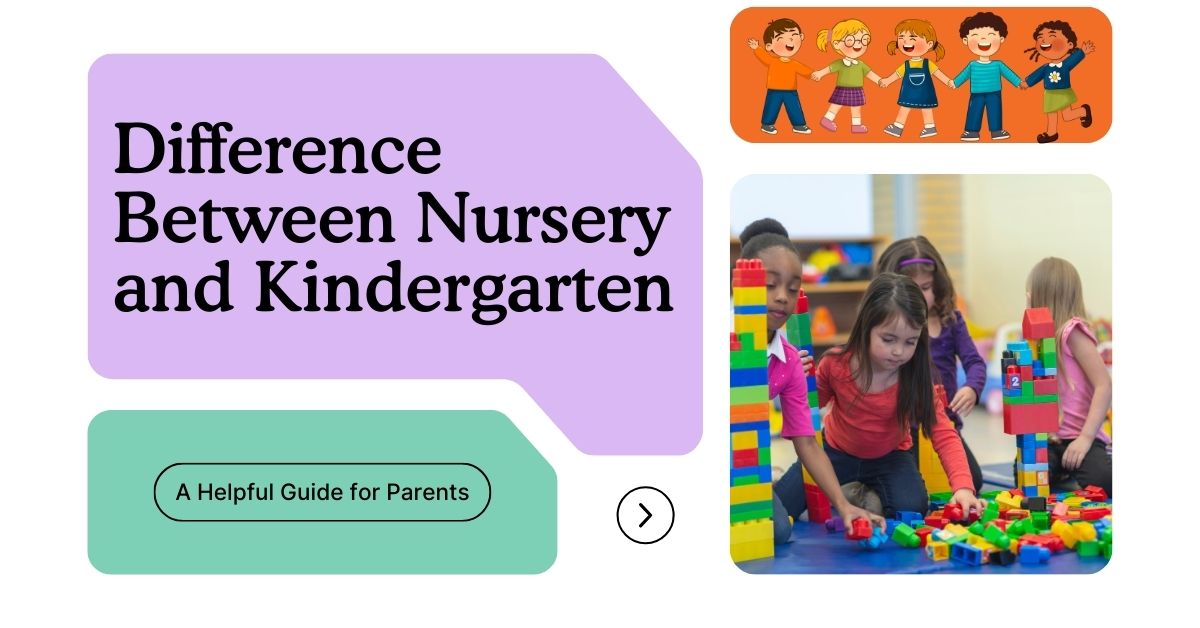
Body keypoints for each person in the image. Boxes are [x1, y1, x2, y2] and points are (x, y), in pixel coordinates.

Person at [736, 218, 885, 543]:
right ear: (741, 286)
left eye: (792, 288)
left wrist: (843, 505)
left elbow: (807, 442)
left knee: (776, 531)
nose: (781, 298)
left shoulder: (788, 361)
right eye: (769, 285)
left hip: (744, 467)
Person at [814, 272, 983, 517]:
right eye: (888, 339)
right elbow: (807, 408)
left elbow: (943, 432)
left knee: (913, 508)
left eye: (910, 342)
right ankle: (849, 491)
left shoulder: (915, 374)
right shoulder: (835, 364)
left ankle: (860, 493)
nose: (898, 352)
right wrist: (798, 383)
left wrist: (964, 488)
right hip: (836, 453)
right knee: (789, 501)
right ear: (866, 326)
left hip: (890, 457)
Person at [877, 236, 985, 493]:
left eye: (925, 287)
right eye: (910, 288)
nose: (919, 296)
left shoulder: (950, 321)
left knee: (974, 481)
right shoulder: (888, 328)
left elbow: (975, 362)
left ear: (938, 285)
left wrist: (972, 387)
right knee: (912, 489)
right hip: (903, 431)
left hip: (943, 425)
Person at [1025, 257, 1112, 495]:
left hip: (1080, 437)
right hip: (1051, 439)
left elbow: (1104, 385)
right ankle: (1064, 468)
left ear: (1040, 296)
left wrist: (1085, 439)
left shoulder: (1072, 332)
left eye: (1030, 293)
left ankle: (1084, 459)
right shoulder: (1036, 340)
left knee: (1105, 481)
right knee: (1026, 482)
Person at [952, 11, 1024, 141]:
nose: (984, 40)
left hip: (994, 92)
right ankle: (971, 131)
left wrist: (1019, 82)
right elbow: (963, 75)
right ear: (965, 40)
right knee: (974, 111)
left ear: (1001, 39)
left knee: (995, 111)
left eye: (991, 35)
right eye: (976, 35)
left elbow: (1009, 74)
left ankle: (997, 131)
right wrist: (954, 83)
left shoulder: (998, 64)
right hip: (976, 93)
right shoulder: (972, 65)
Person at [879, 18, 955, 139]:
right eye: (901, 38)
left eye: (912, 38)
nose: (906, 42)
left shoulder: (928, 63)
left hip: (925, 92)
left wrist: (949, 82)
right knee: (904, 107)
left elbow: (938, 74)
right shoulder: (906, 64)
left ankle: (930, 127)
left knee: (926, 109)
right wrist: (887, 81)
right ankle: (897, 127)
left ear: (929, 44)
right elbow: (896, 75)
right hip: (909, 93)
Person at [1023, 20, 1096, 143]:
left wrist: (1083, 52)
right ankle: (1052, 133)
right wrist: (1027, 82)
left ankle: (1083, 111)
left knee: (1067, 116)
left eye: (1052, 36)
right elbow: (1036, 75)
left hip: (1063, 92)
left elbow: (1074, 59)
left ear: (1070, 45)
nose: (1044, 41)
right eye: (1040, 38)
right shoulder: (1045, 67)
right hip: (1050, 94)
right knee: (1051, 113)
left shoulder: (1065, 65)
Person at [809, 19, 883, 134]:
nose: (858, 44)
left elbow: (869, 74)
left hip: (857, 89)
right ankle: (827, 119)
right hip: (842, 88)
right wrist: (819, 73)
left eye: (863, 40)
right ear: (836, 44)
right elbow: (829, 69)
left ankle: (856, 125)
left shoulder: (861, 64)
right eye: (850, 40)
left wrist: (879, 80)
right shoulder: (839, 63)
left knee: (856, 107)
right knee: (836, 105)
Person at [748, 18, 815, 135]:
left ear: (801, 37)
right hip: (774, 90)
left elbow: (807, 71)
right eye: (781, 38)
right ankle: (767, 125)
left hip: (791, 91)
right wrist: (756, 48)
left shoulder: (794, 64)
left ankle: (799, 125)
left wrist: (815, 75)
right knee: (771, 107)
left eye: (794, 36)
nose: (790, 40)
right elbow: (763, 56)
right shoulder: (772, 61)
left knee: (794, 108)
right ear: (769, 46)